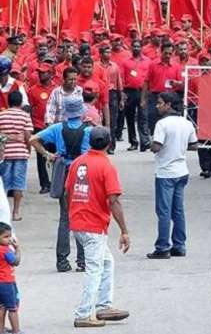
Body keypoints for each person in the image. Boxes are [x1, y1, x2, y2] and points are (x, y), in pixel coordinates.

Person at [66, 126, 130, 328]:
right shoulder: (106, 166)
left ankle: (104, 305)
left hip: (78, 221)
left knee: (107, 262)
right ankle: (84, 313)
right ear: (110, 144)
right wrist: (124, 230)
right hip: (93, 224)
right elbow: (114, 201)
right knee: (94, 268)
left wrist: (73, 213)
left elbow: (67, 191)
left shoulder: (77, 162)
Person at [30, 96, 92, 273]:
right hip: (81, 174)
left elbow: (33, 139)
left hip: (63, 172)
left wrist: (47, 155)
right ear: (81, 112)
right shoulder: (88, 131)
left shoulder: (57, 128)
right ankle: (82, 261)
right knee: (82, 216)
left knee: (65, 218)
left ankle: (62, 261)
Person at [147, 92, 198, 259]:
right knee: (178, 210)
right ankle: (179, 245)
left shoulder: (162, 124)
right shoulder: (186, 123)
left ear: (168, 105)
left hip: (165, 172)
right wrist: (179, 146)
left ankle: (162, 247)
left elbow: (157, 146)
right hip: (181, 170)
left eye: (160, 103)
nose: (157, 105)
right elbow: (194, 145)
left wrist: (150, 144)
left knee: (163, 211)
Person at [0, 92, 32, 222]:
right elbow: (28, 136)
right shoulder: (25, 116)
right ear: (20, 103)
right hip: (20, 153)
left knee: (5, 185)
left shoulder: (2, 115)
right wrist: (28, 150)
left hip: (5, 153)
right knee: (19, 184)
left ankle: (4, 212)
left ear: (8, 101)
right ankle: (16, 212)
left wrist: (8, 137)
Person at [28, 63, 55, 193]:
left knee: (57, 154)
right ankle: (44, 184)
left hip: (54, 127)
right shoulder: (32, 90)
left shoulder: (57, 89)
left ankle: (56, 181)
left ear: (50, 74)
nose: (41, 74)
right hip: (39, 126)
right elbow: (30, 109)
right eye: (39, 72)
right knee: (41, 156)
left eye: (44, 72)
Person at [142, 43, 182, 134]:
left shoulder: (176, 66)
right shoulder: (153, 64)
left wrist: (177, 83)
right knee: (152, 116)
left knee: (171, 119)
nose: (168, 56)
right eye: (166, 53)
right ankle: (154, 136)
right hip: (155, 96)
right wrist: (143, 99)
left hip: (170, 96)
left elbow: (181, 83)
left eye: (170, 53)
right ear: (161, 52)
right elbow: (146, 82)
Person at [120, 40, 151, 152]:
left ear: (141, 48)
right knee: (130, 118)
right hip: (130, 92)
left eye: (138, 46)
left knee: (143, 117)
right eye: (134, 46)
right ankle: (133, 142)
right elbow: (122, 77)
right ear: (131, 48)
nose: (136, 48)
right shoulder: (125, 62)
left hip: (143, 92)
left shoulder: (148, 61)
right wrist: (122, 93)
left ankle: (144, 141)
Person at [0, 223, 20, 334]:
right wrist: (17, 249)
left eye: (9, 236)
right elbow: (15, 262)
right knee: (13, 308)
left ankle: (1, 330)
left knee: (1, 307)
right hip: (7, 282)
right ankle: (16, 330)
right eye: (6, 237)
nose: (9, 239)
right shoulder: (5, 250)